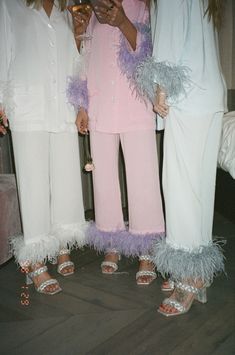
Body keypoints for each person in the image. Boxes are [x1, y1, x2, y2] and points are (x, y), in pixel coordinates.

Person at [134, 0, 227, 314]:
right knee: (199, 188)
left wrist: (160, 89)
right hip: (210, 94)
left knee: (180, 190)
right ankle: (199, 274)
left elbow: (171, 38)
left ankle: (188, 276)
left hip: (186, 98)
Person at [68, 0, 165, 285]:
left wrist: (123, 21)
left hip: (136, 107)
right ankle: (111, 242)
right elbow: (85, 57)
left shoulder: (143, 7)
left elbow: (147, 54)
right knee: (104, 179)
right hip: (99, 108)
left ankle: (146, 249)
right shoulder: (93, 12)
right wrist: (82, 106)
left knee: (143, 180)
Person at [0, 0, 88, 295]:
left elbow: (76, 58)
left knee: (65, 181)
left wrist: (80, 102)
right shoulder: (10, 5)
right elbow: (2, 52)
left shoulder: (68, 7)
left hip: (62, 105)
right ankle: (36, 261)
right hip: (27, 105)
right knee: (34, 184)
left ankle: (62, 244)